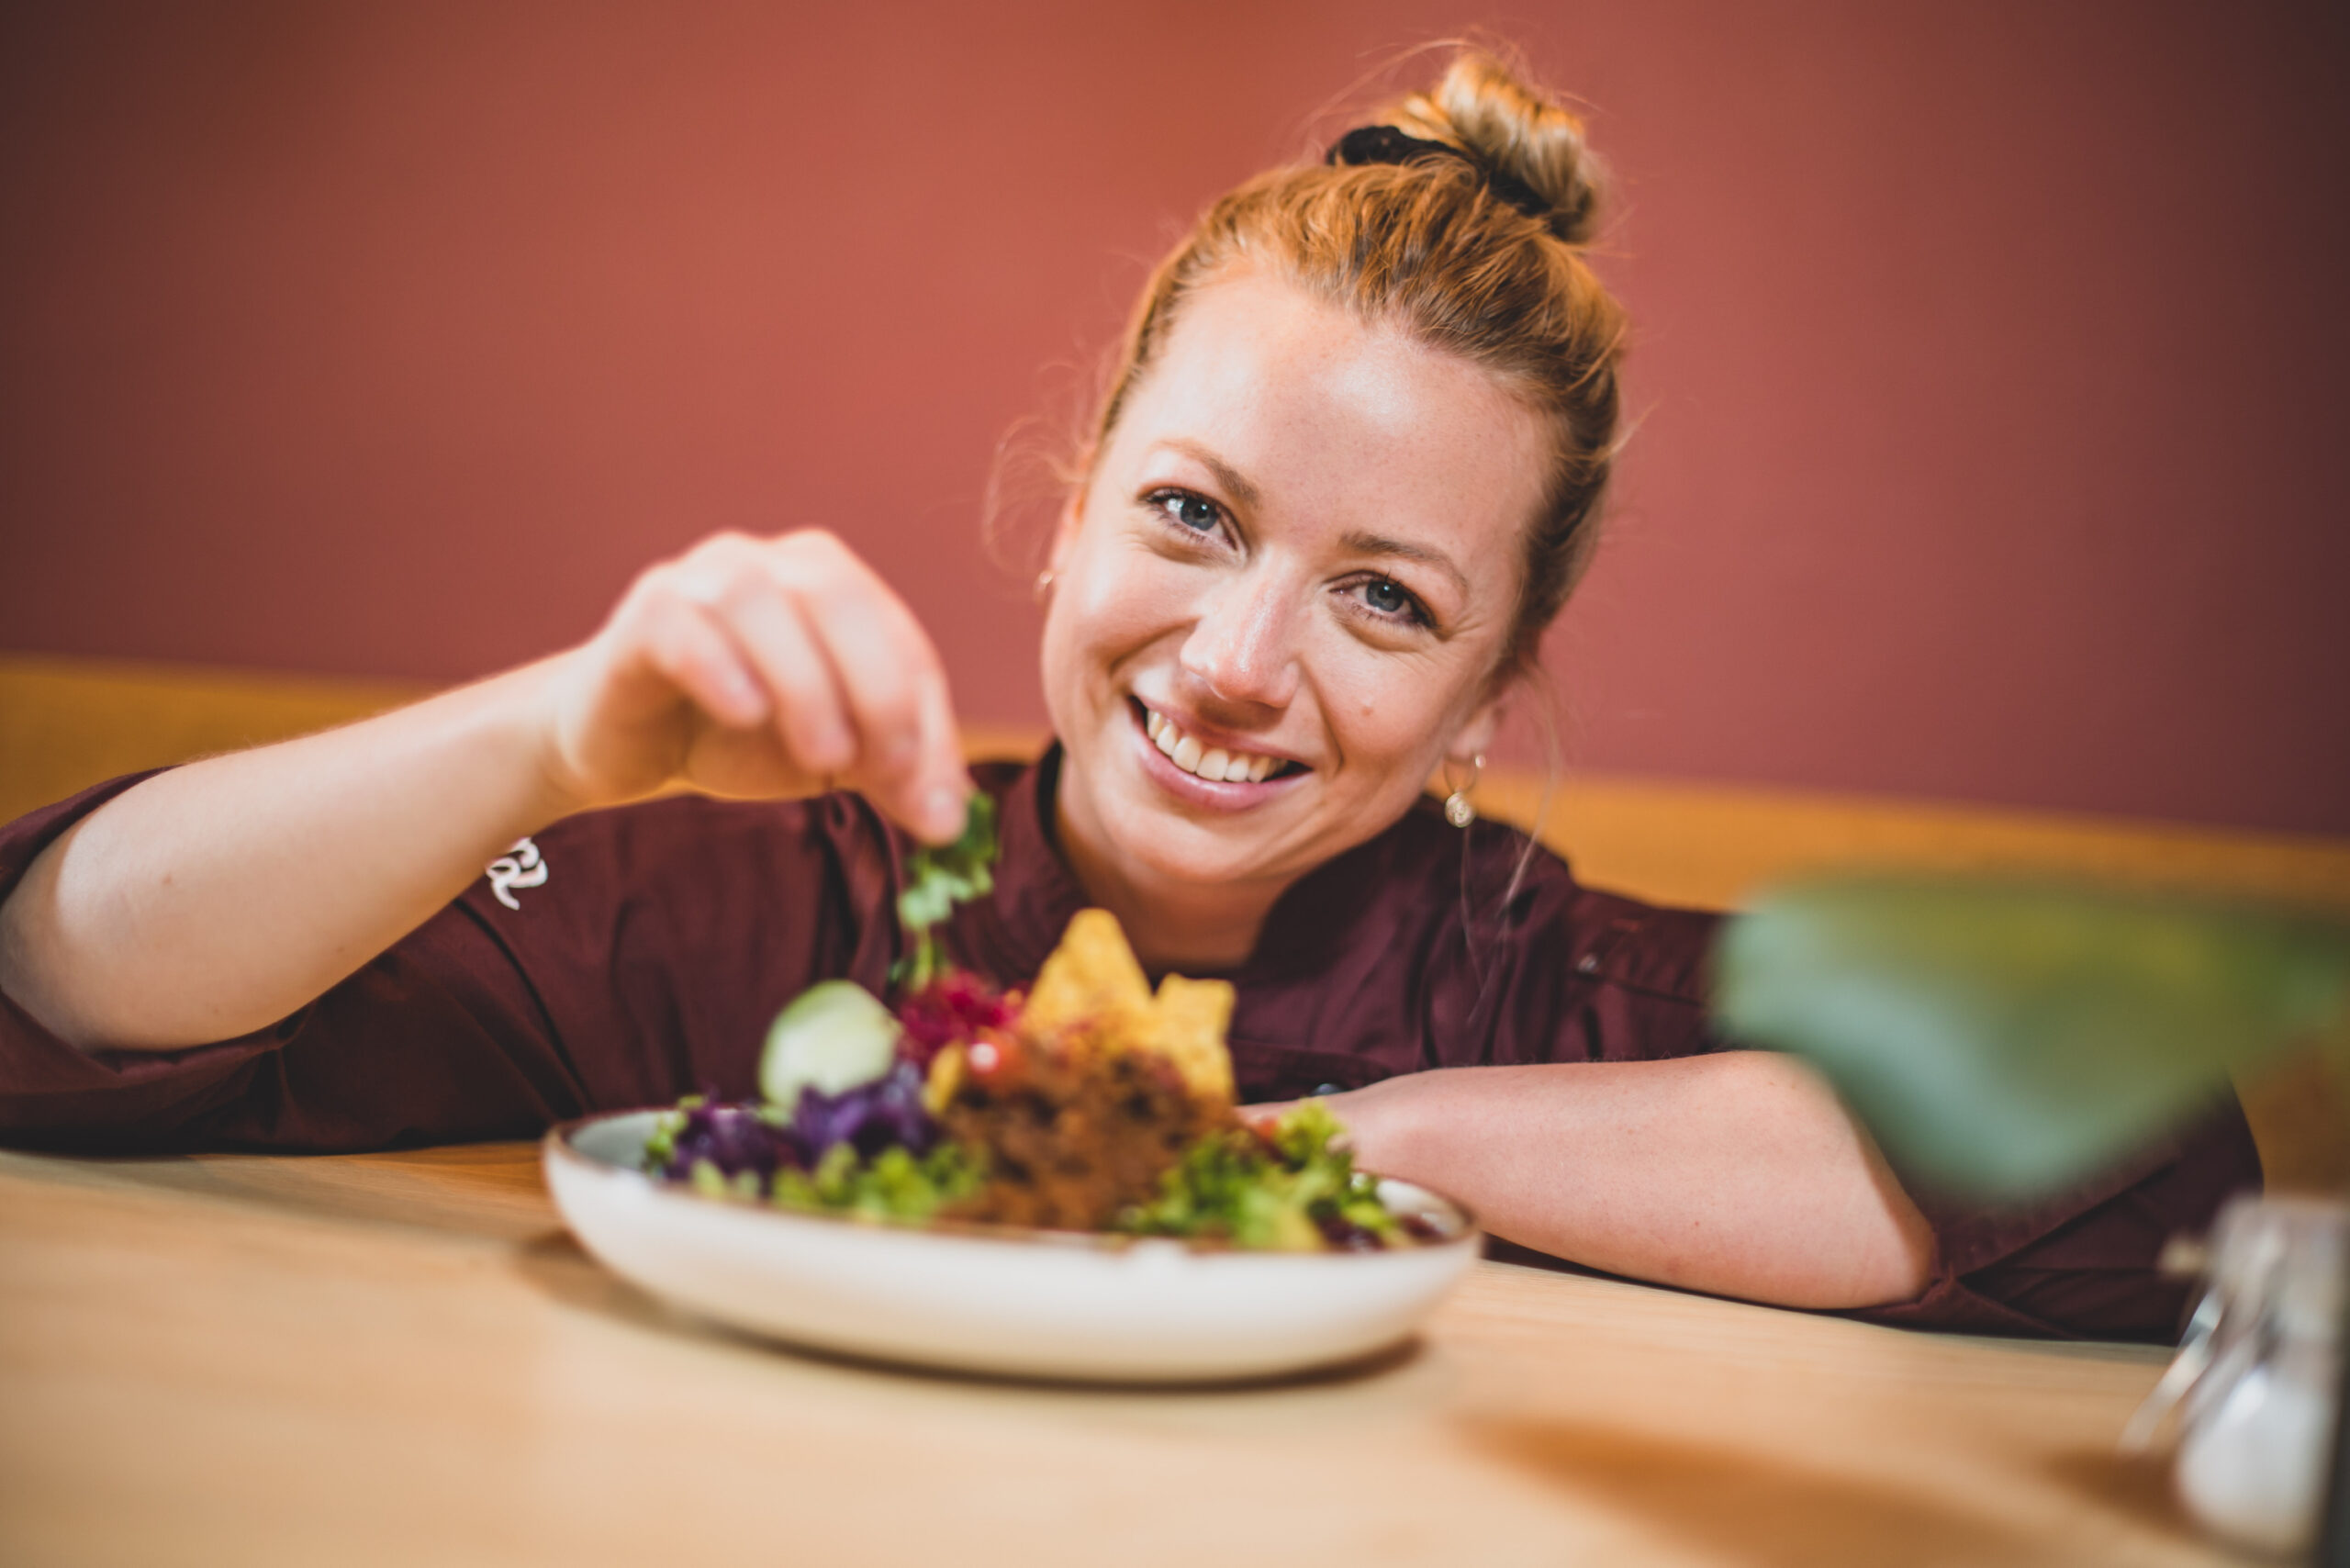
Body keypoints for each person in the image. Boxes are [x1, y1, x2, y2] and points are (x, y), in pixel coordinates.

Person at [0, 51, 2255, 1340]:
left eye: (1382, 598)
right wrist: (550, 734)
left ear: (1485, 690)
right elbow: (69, 980)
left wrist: (1332, 1146)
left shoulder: (1538, 977)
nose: (1238, 663)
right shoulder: (780, 898)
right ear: (1067, 507)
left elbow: (2124, 1130)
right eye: (1189, 517)